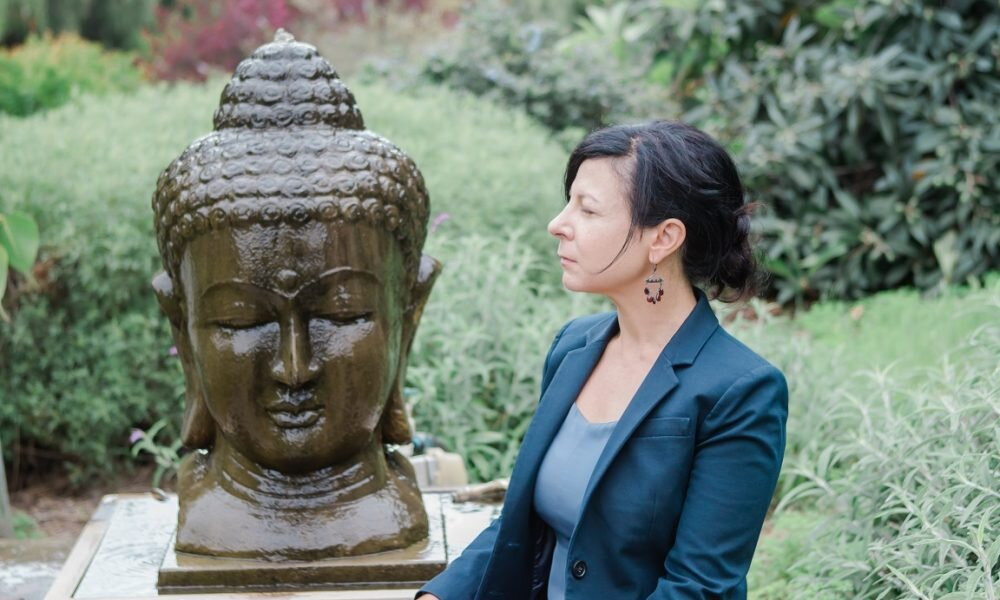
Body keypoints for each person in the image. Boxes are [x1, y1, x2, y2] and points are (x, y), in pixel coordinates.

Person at [418, 121, 788, 599]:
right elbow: (521, 526)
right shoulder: (573, 347)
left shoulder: (740, 391)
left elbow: (698, 587)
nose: (558, 223)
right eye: (568, 202)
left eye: (587, 209)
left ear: (663, 238)